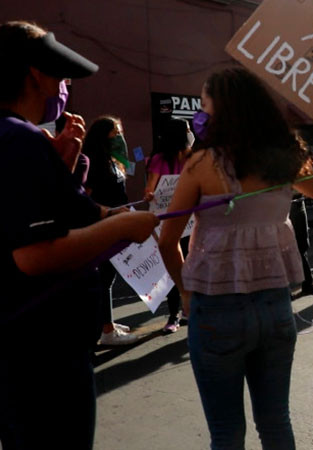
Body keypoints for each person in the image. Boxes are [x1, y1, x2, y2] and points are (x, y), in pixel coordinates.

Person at [159, 67, 313, 449]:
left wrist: (185, 291)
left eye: (205, 103)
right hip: (276, 305)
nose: (201, 110)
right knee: (276, 422)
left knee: (227, 433)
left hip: (216, 309)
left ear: (221, 109)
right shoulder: (282, 158)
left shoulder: (200, 164)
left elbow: (167, 240)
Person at [0, 20, 159, 448]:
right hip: (41, 349)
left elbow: (46, 213)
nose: (63, 88)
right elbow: (33, 254)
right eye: (62, 76)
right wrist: (121, 226)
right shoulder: (20, 140)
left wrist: (65, 175)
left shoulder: (25, 141)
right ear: (36, 74)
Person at [83, 115, 140, 345]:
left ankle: (108, 322)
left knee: (109, 275)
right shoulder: (91, 163)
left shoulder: (112, 161)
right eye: (115, 133)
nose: (120, 138)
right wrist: (110, 213)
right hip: (103, 228)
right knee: (104, 277)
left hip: (116, 227)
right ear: (102, 136)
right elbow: (83, 201)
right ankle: (106, 330)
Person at [144, 118, 193, 333]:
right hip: (168, 220)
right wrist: (151, 195)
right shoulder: (159, 160)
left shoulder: (193, 158)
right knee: (173, 267)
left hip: (191, 220)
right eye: (188, 130)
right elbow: (148, 189)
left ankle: (191, 310)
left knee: (191, 264)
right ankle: (174, 315)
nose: (192, 133)